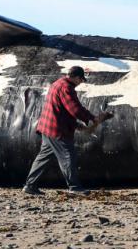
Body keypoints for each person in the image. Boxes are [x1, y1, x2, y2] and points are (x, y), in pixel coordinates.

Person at [23, 66, 110, 195]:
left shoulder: (57, 83)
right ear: (75, 77)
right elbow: (74, 109)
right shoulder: (66, 88)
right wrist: (92, 118)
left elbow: (62, 109)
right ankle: (74, 187)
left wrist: (76, 125)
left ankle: (30, 186)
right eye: (81, 79)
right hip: (57, 130)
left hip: (47, 126)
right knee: (68, 156)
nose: (81, 82)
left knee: (43, 158)